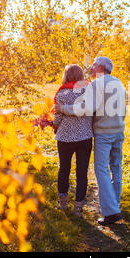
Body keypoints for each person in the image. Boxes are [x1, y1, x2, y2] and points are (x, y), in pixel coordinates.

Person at [55, 57, 126, 226]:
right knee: (116, 168)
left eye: (93, 65)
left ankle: (110, 212)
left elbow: (85, 109)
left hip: (104, 132)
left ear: (101, 67)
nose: (92, 68)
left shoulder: (96, 84)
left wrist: (62, 108)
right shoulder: (119, 83)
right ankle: (115, 205)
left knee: (101, 169)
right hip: (118, 130)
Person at [53, 64, 93, 217]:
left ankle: (63, 204)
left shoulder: (62, 93)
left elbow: (57, 117)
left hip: (65, 138)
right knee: (82, 172)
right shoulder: (89, 91)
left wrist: (54, 126)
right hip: (84, 137)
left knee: (64, 169)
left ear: (66, 75)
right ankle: (78, 208)